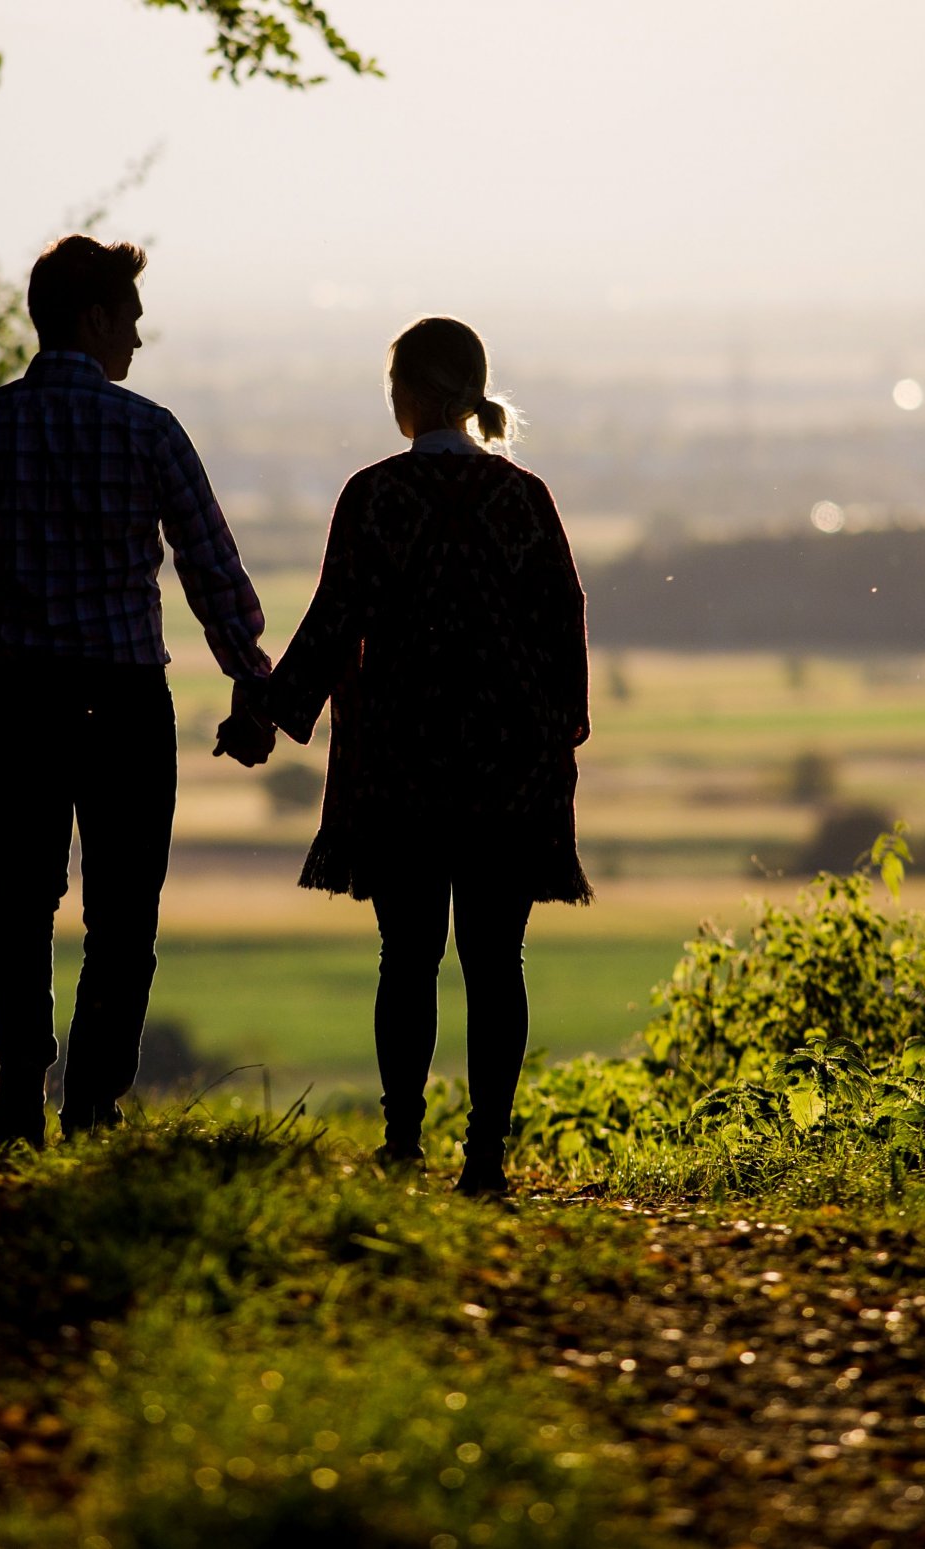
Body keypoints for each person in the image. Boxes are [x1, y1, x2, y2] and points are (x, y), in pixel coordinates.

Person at [0, 234, 276, 1148]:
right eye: (134, 320)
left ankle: (20, 1088)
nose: (140, 343)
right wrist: (252, 682)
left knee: (20, 896)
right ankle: (95, 1098)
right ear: (97, 316)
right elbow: (212, 573)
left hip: (25, 697)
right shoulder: (151, 429)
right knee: (124, 907)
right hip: (127, 700)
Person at [244, 316, 590, 1196]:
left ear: (418, 396)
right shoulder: (526, 498)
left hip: (398, 768)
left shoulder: (375, 496)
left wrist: (268, 718)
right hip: (510, 773)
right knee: (495, 959)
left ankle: (403, 1145)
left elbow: (333, 621)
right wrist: (558, 737)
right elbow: (564, 629)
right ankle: (487, 1156)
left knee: (408, 955)